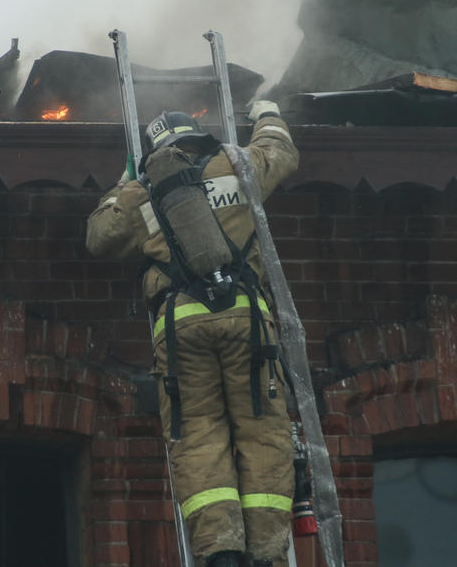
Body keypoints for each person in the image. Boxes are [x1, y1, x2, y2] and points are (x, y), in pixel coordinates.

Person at [86, 100, 298, 567]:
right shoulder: (237, 164)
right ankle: (265, 554)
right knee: (261, 430)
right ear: (197, 137)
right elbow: (281, 152)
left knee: (198, 434)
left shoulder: (143, 192)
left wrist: (123, 183)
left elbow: (99, 238)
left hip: (180, 326)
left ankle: (221, 550)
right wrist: (266, 113)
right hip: (246, 319)